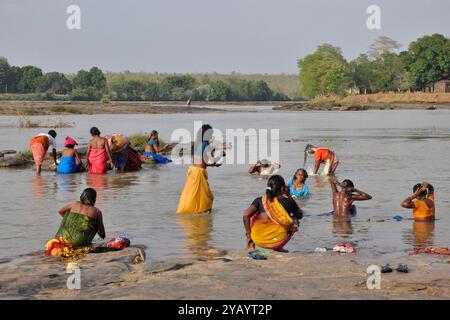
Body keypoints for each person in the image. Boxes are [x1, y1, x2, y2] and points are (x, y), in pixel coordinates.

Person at [243, 175, 302, 252]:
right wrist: (289, 196)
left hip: (257, 239)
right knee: (294, 220)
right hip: (276, 241)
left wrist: (248, 236)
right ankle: (278, 247)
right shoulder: (289, 201)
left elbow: (245, 215)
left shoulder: (260, 200)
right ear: (282, 188)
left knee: (255, 215)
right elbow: (300, 215)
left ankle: (251, 245)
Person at [176, 124, 222, 214]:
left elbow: (200, 162)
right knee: (209, 197)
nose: (212, 136)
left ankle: (194, 212)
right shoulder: (206, 145)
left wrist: (213, 165)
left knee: (192, 195)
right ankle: (202, 215)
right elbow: (212, 161)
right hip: (199, 173)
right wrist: (220, 155)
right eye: (211, 133)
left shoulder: (197, 144)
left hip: (192, 170)